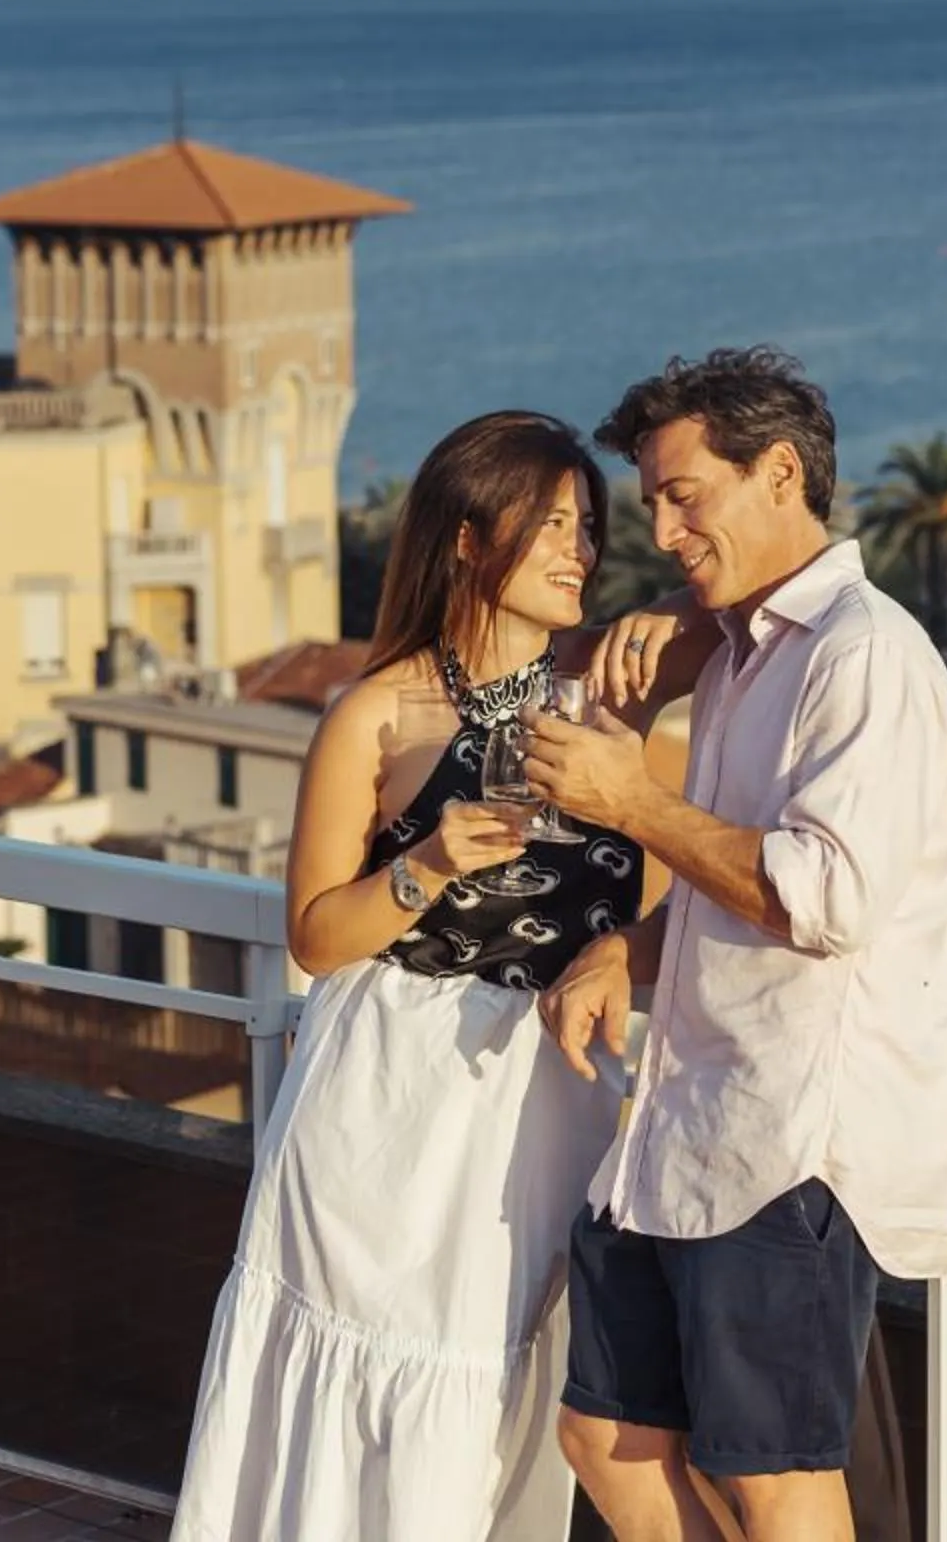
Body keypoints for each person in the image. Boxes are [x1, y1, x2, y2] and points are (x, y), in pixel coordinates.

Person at [169, 411, 662, 1542]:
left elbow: (690, 849)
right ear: (467, 538)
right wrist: (430, 862)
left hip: (545, 1092)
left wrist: (624, 951)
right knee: (364, 1348)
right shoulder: (376, 712)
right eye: (551, 525)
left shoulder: (614, 701)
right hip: (389, 1091)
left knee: (489, 1374)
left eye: (588, 527)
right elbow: (313, 932)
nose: (580, 550)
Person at [524, 348, 947, 1542]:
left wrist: (633, 802)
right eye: (654, 505)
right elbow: (733, 875)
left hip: (792, 1143)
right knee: (606, 1437)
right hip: (688, 1126)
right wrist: (623, 950)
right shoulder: (740, 653)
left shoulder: (865, 655)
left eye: (688, 494)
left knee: (776, 1477)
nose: (667, 529)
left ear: (780, 472)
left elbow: (827, 896)